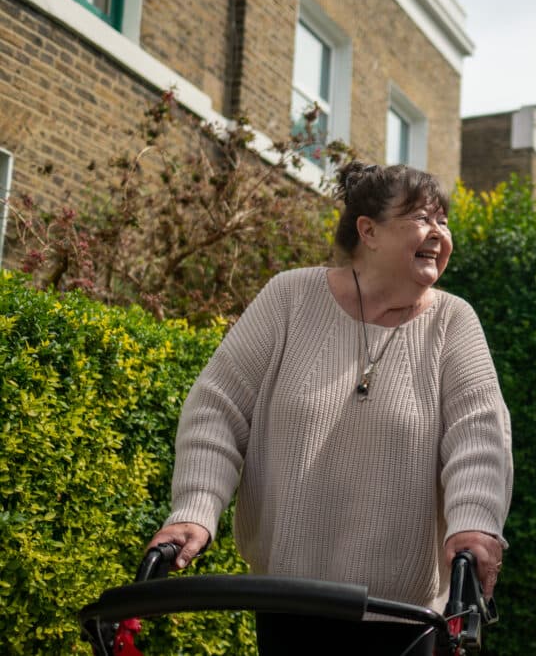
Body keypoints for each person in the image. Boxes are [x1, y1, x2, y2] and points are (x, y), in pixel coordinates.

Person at [147, 160, 513, 655]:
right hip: (288, 604)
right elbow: (218, 407)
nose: (439, 234)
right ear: (369, 231)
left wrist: (474, 522)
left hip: (405, 618)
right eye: (423, 218)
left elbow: (479, 434)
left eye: (443, 222)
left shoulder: (453, 322)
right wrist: (195, 508)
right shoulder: (290, 298)